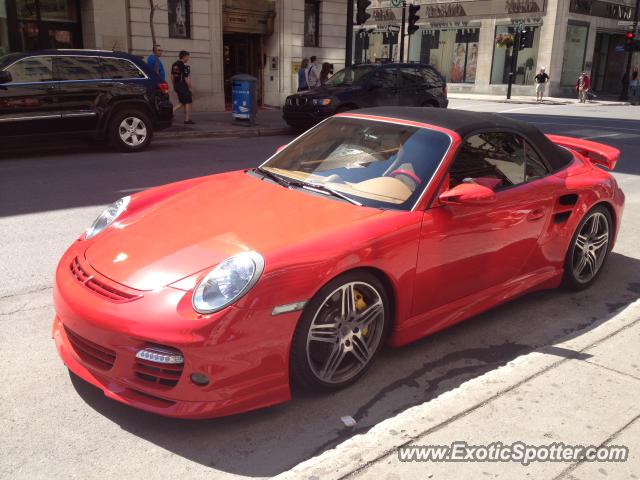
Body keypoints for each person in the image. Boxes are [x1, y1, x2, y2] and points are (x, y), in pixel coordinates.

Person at [171, 50, 194, 124]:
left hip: (177, 85)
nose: (188, 59)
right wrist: (190, 88)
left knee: (182, 102)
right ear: (184, 57)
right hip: (182, 86)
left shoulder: (174, 64)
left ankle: (170, 112)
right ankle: (187, 120)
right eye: (187, 57)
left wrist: (174, 85)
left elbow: (172, 76)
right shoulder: (183, 67)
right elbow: (186, 78)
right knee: (187, 101)